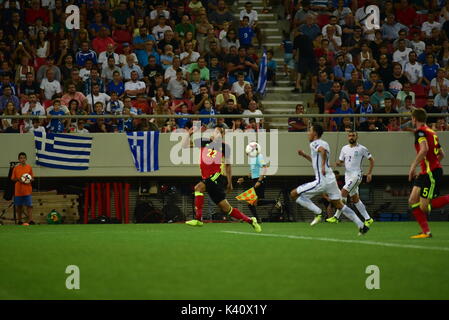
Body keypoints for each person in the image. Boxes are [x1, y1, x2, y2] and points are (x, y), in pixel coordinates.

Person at [290, 124, 369, 235]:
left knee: (293, 194)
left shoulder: (314, 143)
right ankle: (361, 225)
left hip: (322, 180)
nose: (308, 133)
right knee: (339, 205)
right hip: (331, 178)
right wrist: (304, 155)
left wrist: (322, 166)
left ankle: (318, 212)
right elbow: (318, 158)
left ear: (315, 133)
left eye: (310, 131)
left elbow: (322, 152)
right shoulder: (325, 143)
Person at [182, 123, 261, 232]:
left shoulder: (224, 146)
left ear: (222, 135)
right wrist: (188, 134)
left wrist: (229, 182)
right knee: (226, 209)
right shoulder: (204, 142)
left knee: (198, 188)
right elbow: (184, 145)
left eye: (219, 132)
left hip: (218, 177)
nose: (216, 133)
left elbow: (228, 165)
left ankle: (198, 219)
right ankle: (250, 220)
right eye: (215, 131)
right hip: (208, 179)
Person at [407, 108, 449, 239]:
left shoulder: (420, 132)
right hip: (427, 172)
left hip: (431, 173)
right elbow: (442, 154)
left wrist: (413, 167)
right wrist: (427, 167)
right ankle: (426, 232)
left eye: (412, 118)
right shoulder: (432, 132)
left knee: (424, 207)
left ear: (414, 119)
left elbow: (424, 149)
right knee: (412, 200)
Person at [326, 131, 375, 226]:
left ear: (357, 137)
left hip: (357, 175)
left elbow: (372, 160)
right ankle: (368, 219)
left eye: (353, 135)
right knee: (355, 199)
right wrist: (335, 164)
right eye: (350, 135)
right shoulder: (344, 148)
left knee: (343, 192)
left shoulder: (362, 148)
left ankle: (336, 217)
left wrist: (369, 173)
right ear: (347, 137)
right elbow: (341, 162)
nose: (351, 137)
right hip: (347, 176)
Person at [237, 143, 281, 222]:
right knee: (253, 203)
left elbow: (264, 168)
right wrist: (243, 178)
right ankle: (274, 201)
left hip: (260, 180)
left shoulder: (259, 156)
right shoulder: (252, 159)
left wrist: (259, 181)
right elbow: (252, 172)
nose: (247, 155)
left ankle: (257, 219)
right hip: (255, 180)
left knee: (251, 203)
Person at [11, 152, 35, 225]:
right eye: (21, 158)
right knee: (19, 206)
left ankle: (30, 220)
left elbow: (32, 178)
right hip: (18, 191)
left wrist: (30, 180)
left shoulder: (29, 167)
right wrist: (19, 179)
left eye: (24, 158)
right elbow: (12, 179)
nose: (22, 159)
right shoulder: (16, 168)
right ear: (19, 159)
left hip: (27, 190)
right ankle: (19, 221)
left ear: (26, 158)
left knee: (29, 206)